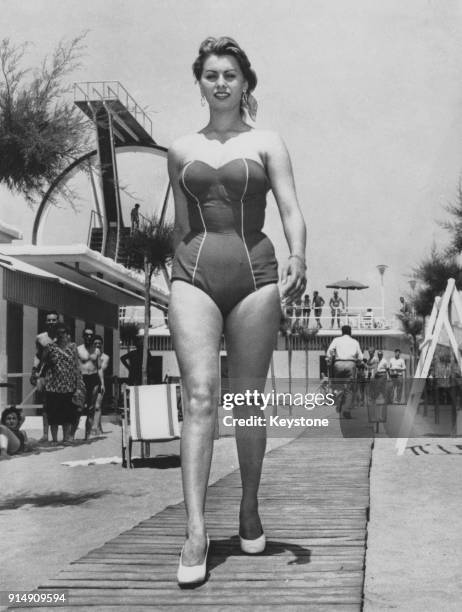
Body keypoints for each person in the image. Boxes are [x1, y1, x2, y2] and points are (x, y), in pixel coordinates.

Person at [168, 36, 306, 585]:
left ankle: (249, 506)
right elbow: (181, 225)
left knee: (249, 397)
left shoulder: (269, 142)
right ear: (199, 82)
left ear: (245, 82)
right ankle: (196, 532)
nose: (220, 83)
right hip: (193, 276)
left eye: (230, 74)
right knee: (200, 395)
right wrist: (174, 279)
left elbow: (292, 209)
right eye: (211, 75)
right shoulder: (179, 150)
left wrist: (299, 255)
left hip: (255, 276)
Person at [42, 323, 83, 444]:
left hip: (69, 385)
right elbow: (43, 362)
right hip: (53, 385)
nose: (61, 335)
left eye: (63, 332)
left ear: (67, 334)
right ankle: (54, 439)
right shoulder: (50, 347)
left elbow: (76, 366)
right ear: (55, 334)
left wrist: (78, 385)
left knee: (68, 414)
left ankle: (65, 438)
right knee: (53, 414)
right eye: (58, 332)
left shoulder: (73, 347)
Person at [30, 310, 60, 442]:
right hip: (45, 373)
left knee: (59, 404)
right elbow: (37, 355)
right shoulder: (40, 337)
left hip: (60, 374)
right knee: (46, 404)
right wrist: (33, 371)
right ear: (46, 321)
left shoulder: (63, 337)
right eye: (49, 320)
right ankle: (45, 434)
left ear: (58, 321)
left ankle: (57, 436)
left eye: (54, 320)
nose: (51, 322)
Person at [76, 326, 108, 438]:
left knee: (91, 408)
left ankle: (87, 435)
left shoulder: (97, 351)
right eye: (86, 335)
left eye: (91, 335)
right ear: (83, 336)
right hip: (82, 380)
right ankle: (72, 435)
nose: (89, 337)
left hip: (94, 380)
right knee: (78, 408)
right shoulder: (78, 349)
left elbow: (99, 368)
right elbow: (75, 367)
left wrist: (102, 383)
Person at [326, 325, 363, 418]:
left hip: (338, 364)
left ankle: (339, 405)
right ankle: (346, 410)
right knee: (349, 389)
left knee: (339, 387)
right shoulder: (355, 342)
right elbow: (360, 357)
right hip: (351, 364)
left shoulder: (336, 340)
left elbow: (329, 352)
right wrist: (358, 362)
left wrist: (330, 359)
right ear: (350, 332)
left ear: (342, 332)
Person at [90, 335, 110, 435]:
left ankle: (95, 428)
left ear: (102, 344)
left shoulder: (105, 357)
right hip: (90, 382)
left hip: (99, 382)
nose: (97, 345)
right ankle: (98, 427)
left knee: (97, 406)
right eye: (95, 343)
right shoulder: (89, 355)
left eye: (99, 343)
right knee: (91, 406)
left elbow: (102, 368)